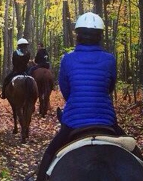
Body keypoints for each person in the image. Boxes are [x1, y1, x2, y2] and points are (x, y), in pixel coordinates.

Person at [35, 12, 123, 181]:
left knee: (50, 152)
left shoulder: (67, 59)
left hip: (74, 121)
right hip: (106, 120)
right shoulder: (109, 59)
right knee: (134, 151)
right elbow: (109, 88)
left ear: (78, 36)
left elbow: (66, 91)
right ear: (100, 36)